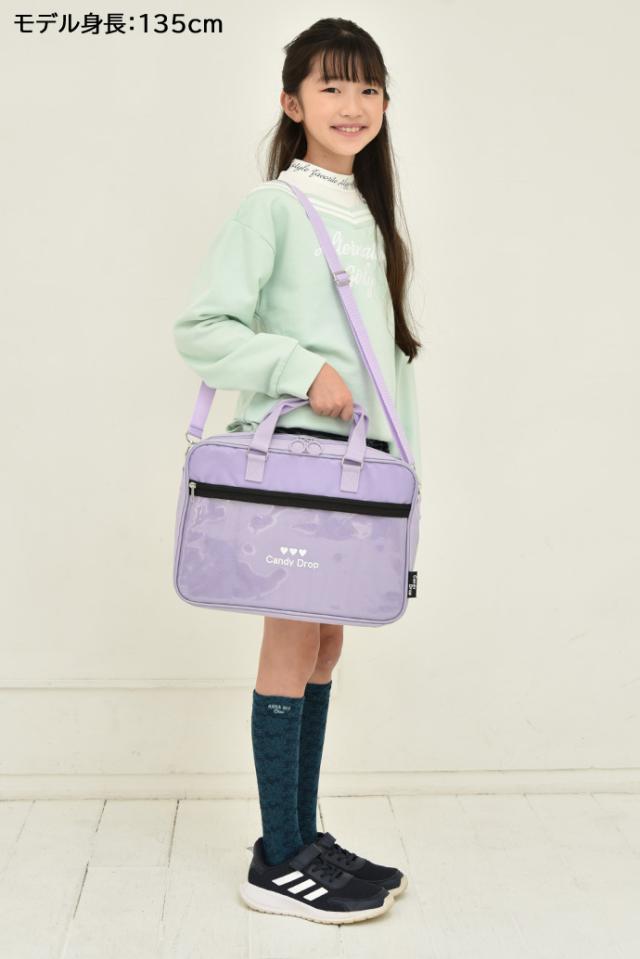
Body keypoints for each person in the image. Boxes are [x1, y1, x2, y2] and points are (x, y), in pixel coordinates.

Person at [173, 17, 422, 924]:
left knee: (325, 641)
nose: (353, 105)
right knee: (291, 637)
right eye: (331, 86)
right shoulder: (275, 208)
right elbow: (202, 330)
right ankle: (279, 856)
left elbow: (384, 370)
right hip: (296, 471)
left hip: (356, 476)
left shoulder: (368, 214)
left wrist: (404, 475)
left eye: (368, 88)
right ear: (292, 102)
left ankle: (301, 835)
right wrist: (299, 368)